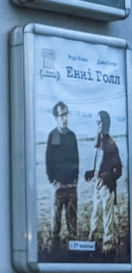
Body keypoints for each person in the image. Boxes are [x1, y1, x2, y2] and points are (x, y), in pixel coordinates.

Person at [85, 110, 123, 253]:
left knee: (107, 216)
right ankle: (93, 243)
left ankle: (107, 246)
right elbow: (100, 166)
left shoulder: (111, 145)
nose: (98, 125)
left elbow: (118, 171)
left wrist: (106, 179)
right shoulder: (100, 144)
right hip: (97, 187)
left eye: (100, 122)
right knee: (95, 214)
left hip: (106, 189)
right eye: (97, 122)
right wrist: (91, 174)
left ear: (105, 123)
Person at [45, 101, 80, 247]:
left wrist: (75, 179)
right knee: (56, 226)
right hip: (58, 188)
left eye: (66, 114)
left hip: (71, 187)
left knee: (72, 225)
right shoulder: (52, 136)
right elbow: (48, 162)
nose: (65, 118)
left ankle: (73, 254)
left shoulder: (71, 136)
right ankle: (55, 251)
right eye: (61, 115)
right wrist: (53, 182)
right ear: (56, 117)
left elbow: (75, 160)